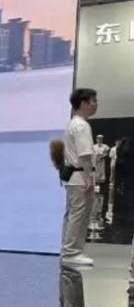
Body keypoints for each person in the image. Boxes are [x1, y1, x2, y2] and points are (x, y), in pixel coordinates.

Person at [61, 88, 99, 267]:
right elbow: (85, 155)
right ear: (83, 103)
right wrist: (88, 177)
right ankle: (72, 252)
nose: (96, 105)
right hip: (80, 176)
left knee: (72, 214)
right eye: (94, 101)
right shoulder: (82, 126)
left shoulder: (72, 124)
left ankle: (69, 249)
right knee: (79, 214)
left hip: (73, 176)